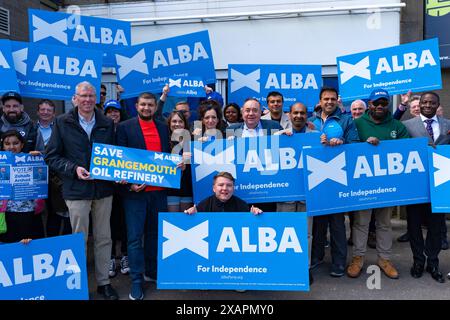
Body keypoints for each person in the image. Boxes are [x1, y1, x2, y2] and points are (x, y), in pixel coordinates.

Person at [45, 81, 118, 300]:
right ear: (74, 98)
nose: (87, 100)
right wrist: (73, 169)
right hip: (76, 190)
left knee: (104, 238)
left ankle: (104, 283)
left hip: (103, 189)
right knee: (78, 239)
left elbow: (115, 156)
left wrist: (118, 172)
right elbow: (51, 156)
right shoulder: (62, 122)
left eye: (91, 96)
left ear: (96, 98)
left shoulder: (107, 123)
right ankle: (77, 285)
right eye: (83, 96)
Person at [347, 89, 409, 280]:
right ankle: (358, 258)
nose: (380, 106)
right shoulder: (356, 123)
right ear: (370, 104)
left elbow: (407, 151)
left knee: (384, 224)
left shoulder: (397, 126)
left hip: (387, 185)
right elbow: (347, 146)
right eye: (376, 103)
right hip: (363, 184)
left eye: (384, 102)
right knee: (361, 223)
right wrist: (363, 145)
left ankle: (384, 259)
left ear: (388, 104)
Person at [116, 92, 170, 300]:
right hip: (135, 194)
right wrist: (130, 184)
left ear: (156, 107)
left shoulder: (163, 127)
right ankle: (136, 280)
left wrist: (177, 165)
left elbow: (165, 157)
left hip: (158, 193)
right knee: (135, 238)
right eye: (143, 104)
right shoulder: (124, 127)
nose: (146, 108)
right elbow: (119, 160)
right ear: (136, 106)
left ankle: (152, 271)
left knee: (155, 235)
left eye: (150, 105)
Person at [308, 87, 359, 278]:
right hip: (315, 177)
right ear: (320, 101)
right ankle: (317, 256)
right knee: (318, 223)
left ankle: (338, 263)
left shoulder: (346, 120)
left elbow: (355, 144)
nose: (328, 102)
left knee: (337, 223)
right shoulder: (311, 121)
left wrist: (342, 141)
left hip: (337, 176)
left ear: (337, 100)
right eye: (325, 99)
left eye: (332, 99)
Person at [403, 91, 448, 283]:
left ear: (438, 105)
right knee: (414, 225)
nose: (428, 105)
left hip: (440, 184)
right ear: (419, 104)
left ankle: (433, 262)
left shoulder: (447, 124)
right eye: (424, 102)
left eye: (432, 103)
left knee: (436, 226)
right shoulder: (406, 126)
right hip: (415, 185)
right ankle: (418, 261)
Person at [276, 102, 318, 284]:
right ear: (289, 114)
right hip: (285, 194)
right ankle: (285, 267)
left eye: (302, 113)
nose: (299, 116)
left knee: (306, 233)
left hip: (307, 194)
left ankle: (304, 268)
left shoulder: (316, 136)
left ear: (307, 115)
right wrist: (279, 136)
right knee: (284, 231)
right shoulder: (280, 135)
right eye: (295, 113)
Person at [0, 130, 44, 243]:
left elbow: (41, 179)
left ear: (22, 145)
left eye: (15, 143)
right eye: (7, 143)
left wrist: (39, 159)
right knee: (8, 249)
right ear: (3, 146)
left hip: (27, 212)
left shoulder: (32, 159)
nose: (11, 147)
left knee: (28, 249)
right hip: (5, 213)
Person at [103, 99, 129, 278]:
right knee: (108, 223)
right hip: (106, 186)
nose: (113, 114)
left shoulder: (127, 130)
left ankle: (125, 256)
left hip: (126, 185)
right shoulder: (101, 131)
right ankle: (111, 257)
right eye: (110, 111)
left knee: (126, 222)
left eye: (116, 111)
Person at [184, 171, 261, 215]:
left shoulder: (242, 205)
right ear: (214, 188)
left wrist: (253, 216)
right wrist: (192, 215)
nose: (225, 188)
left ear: (233, 188)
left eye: (229, 185)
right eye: (221, 185)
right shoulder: (203, 205)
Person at [166, 111, 193, 212]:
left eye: (180, 121)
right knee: (172, 221)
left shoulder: (191, 140)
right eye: (174, 121)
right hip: (170, 189)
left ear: (185, 124)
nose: (177, 124)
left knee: (185, 222)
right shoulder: (164, 141)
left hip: (187, 188)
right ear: (169, 123)